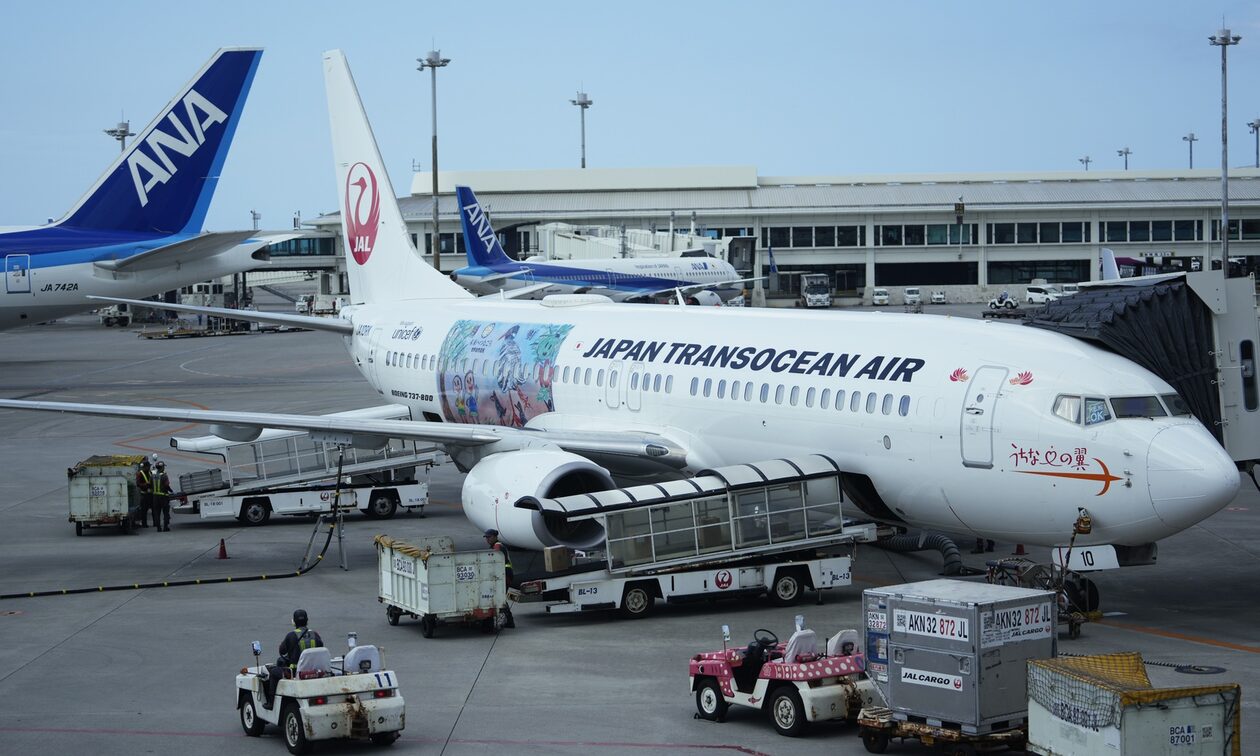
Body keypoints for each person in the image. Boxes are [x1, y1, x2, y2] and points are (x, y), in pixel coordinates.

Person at [263, 609, 324, 710]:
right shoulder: (315, 634)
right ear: (307, 621)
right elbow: (321, 647)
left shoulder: (291, 636)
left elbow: (282, 651)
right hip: (315, 671)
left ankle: (271, 703)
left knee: (273, 672)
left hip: (296, 672)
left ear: (294, 622)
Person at [484, 529, 515, 628]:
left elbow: (494, 562)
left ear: (495, 537)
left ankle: (509, 622)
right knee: (501, 598)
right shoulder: (496, 546)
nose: (487, 539)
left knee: (500, 598)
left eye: (489, 537)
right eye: (486, 537)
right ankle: (509, 622)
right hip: (504, 575)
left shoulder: (497, 546)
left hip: (504, 575)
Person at [151, 461, 173, 532]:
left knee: (157, 512)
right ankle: (165, 527)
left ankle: (158, 528)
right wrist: (171, 491)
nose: (164, 468)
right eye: (163, 467)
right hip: (163, 497)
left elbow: (150, 485)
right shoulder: (164, 476)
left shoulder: (152, 476)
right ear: (162, 467)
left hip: (155, 497)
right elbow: (166, 485)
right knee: (165, 512)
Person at [135, 458, 153, 528]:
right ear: (145, 467)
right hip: (144, 494)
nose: (149, 468)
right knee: (144, 510)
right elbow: (138, 484)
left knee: (154, 509)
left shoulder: (150, 472)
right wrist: (146, 485)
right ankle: (144, 524)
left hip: (151, 494)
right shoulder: (140, 474)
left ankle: (155, 523)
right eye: (148, 466)